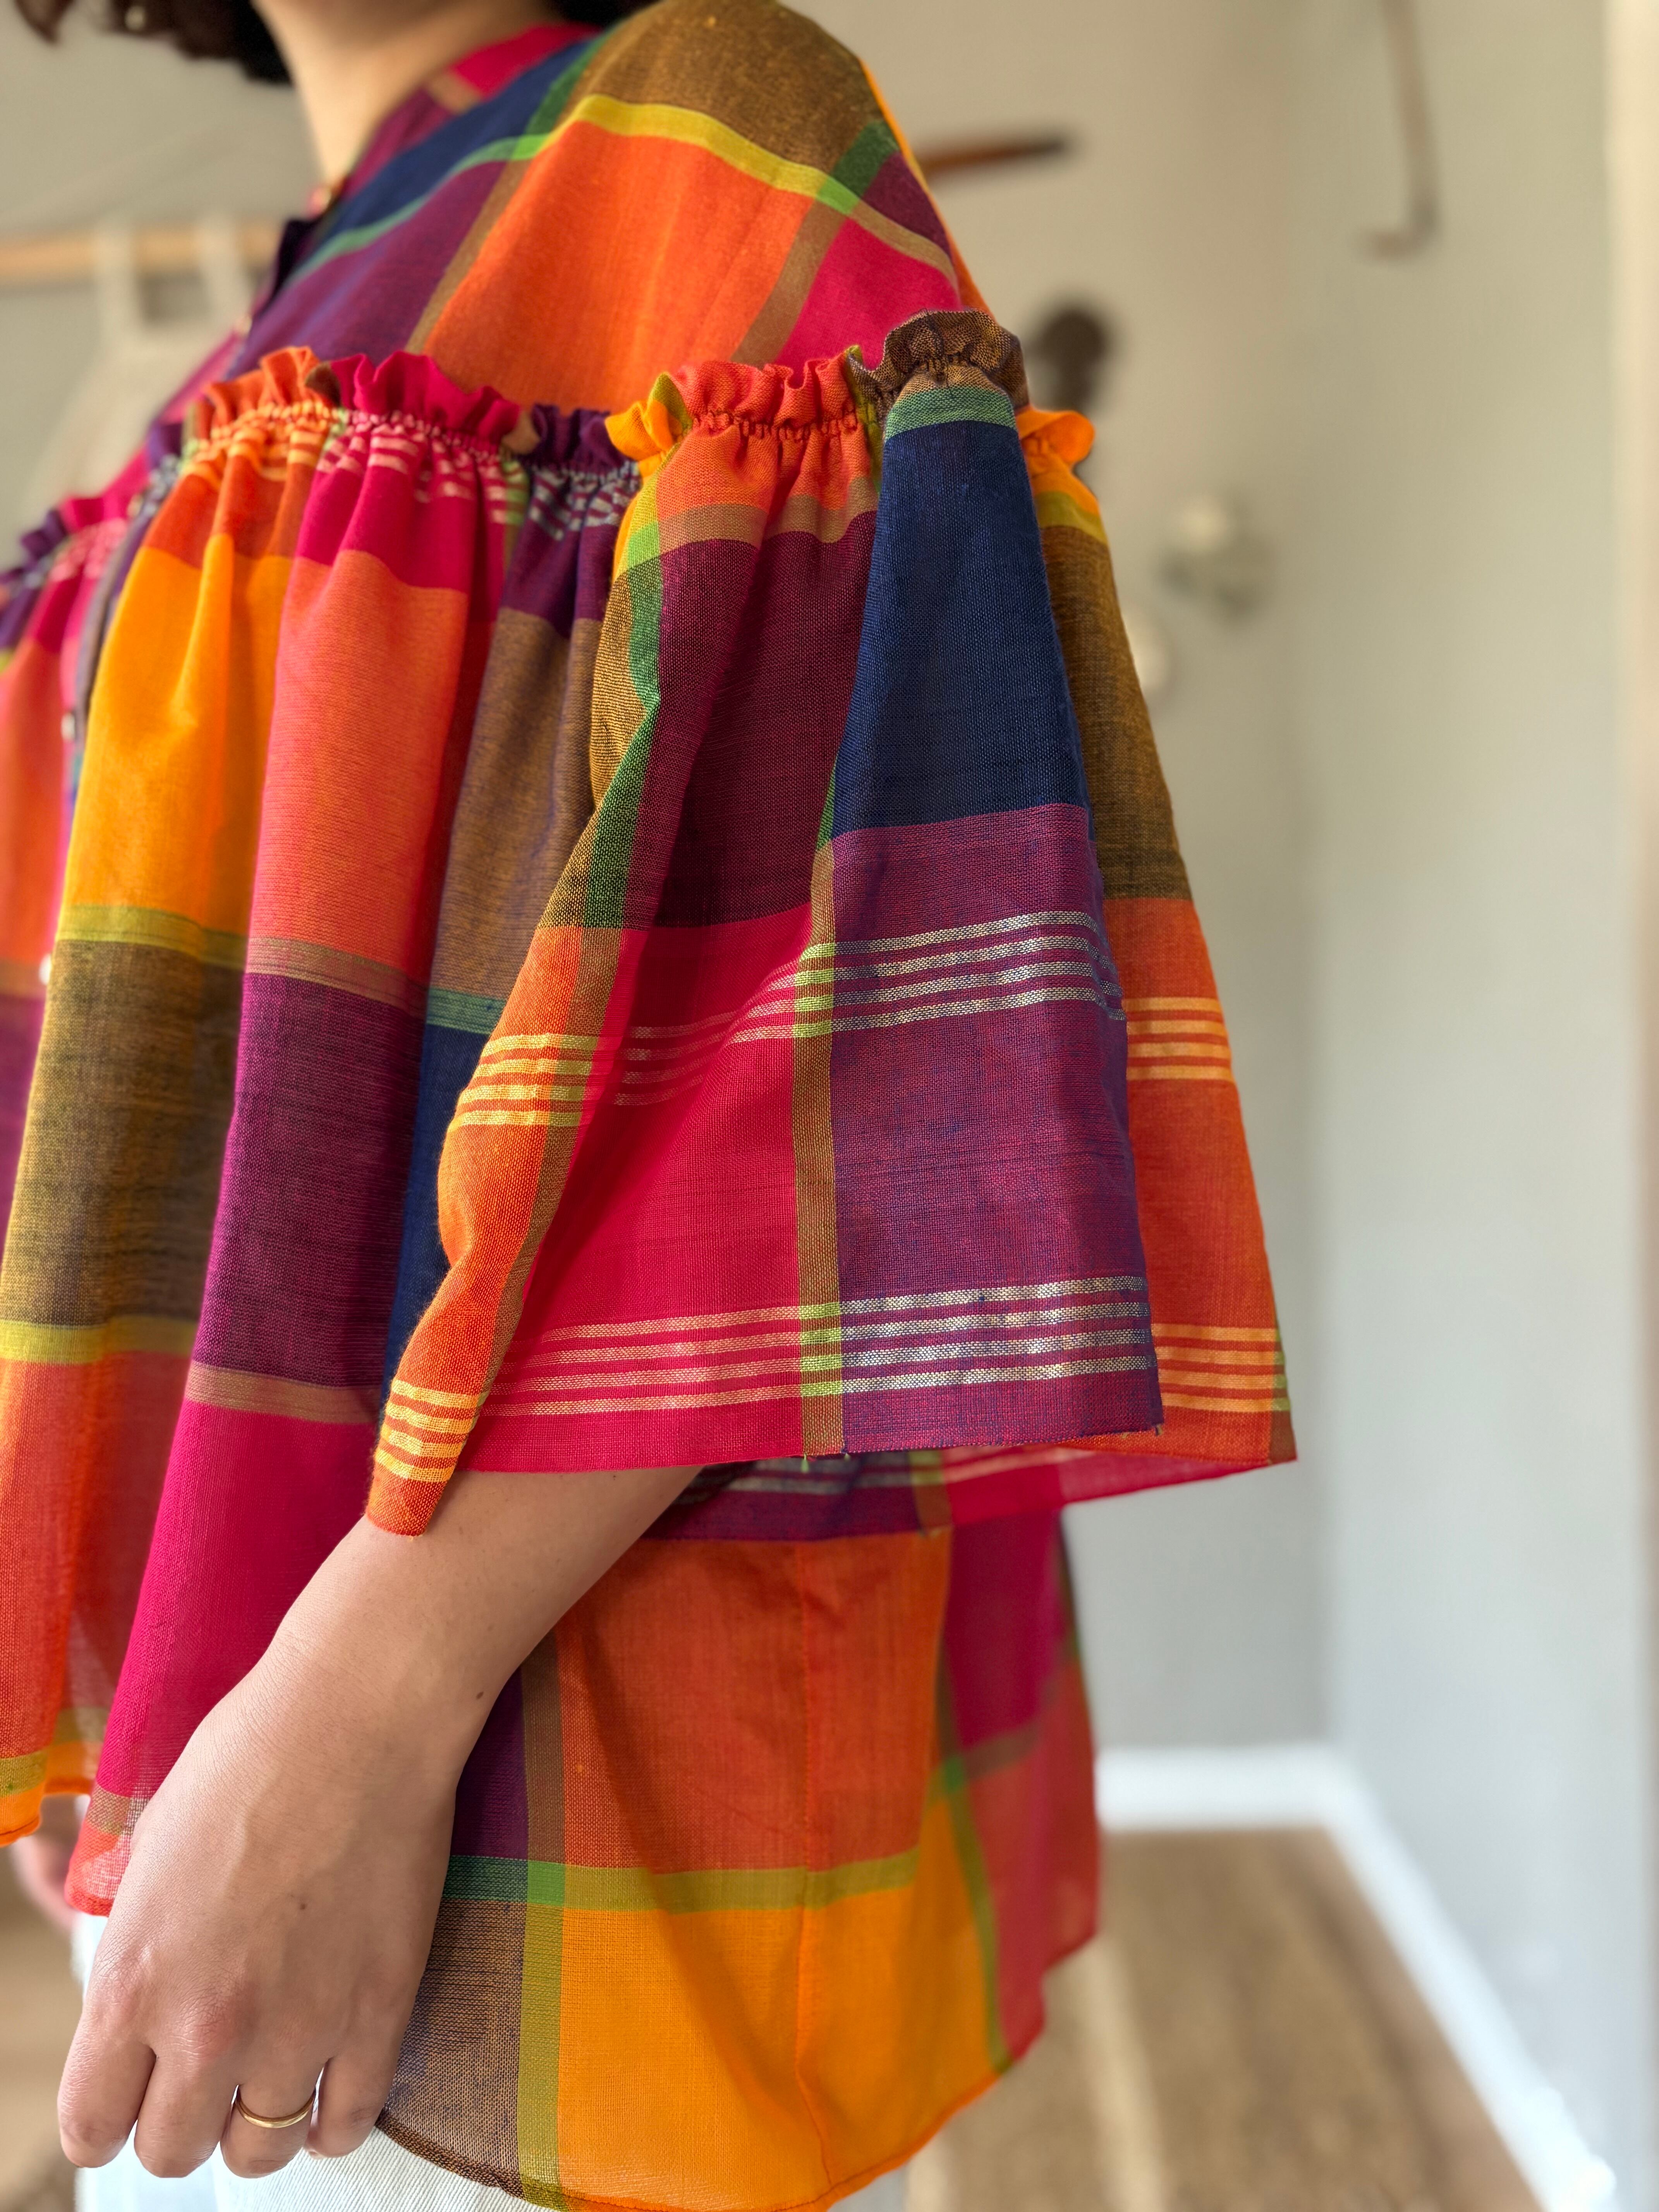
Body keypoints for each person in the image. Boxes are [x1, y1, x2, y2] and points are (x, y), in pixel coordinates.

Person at [0, 0, 1294, 2207]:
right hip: (225, 1723)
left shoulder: (707, 122)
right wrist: (114, 1654)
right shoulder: (278, 322)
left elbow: (869, 1009)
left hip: (486, 1724)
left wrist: (359, 1708)